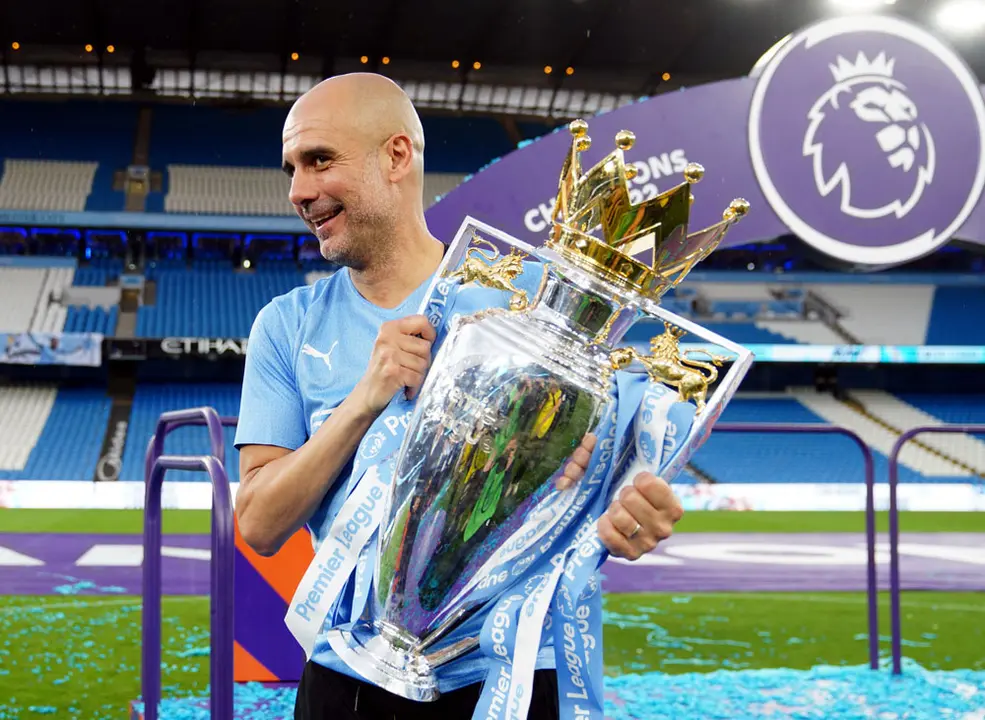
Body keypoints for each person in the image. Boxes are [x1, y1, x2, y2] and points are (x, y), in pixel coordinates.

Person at [234, 72, 685, 720]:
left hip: (509, 672)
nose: (298, 191)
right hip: (356, 671)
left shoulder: (537, 302)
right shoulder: (286, 324)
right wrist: (367, 397)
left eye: (319, 160)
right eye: (291, 169)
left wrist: (632, 508)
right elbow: (259, 523)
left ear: (396, 155)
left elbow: (610, 477)